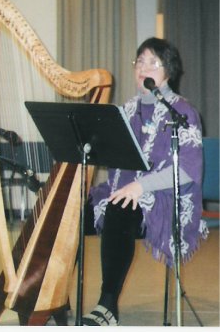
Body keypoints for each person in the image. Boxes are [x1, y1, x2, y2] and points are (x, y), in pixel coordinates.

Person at [82, 37, 209, 326]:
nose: (143, 68)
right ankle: (52, 296)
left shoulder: (183, 112)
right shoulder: (126, 110)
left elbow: (189, 169)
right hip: (121, 191)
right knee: (70, 213)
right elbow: (110, 155)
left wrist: (141, 186)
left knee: (119, 208)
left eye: (153, 62)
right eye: (140, 61)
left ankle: (107, 305)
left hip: (163, 198)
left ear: (169, 71)